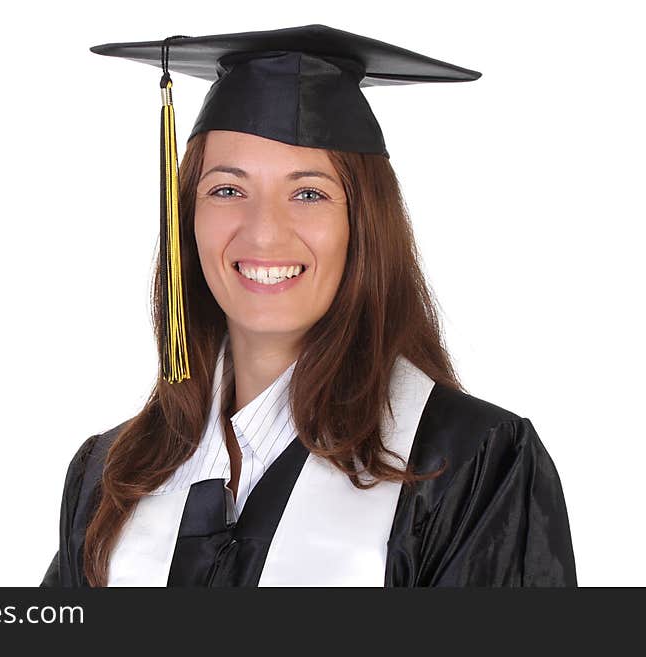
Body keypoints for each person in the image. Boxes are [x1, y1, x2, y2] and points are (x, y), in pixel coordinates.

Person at [41, 25, 577, 587]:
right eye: (227, 190)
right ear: (185, 221)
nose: (264, 234)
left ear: (362, 223)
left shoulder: (470, 466)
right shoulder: (113, 477)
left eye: (309, 193)